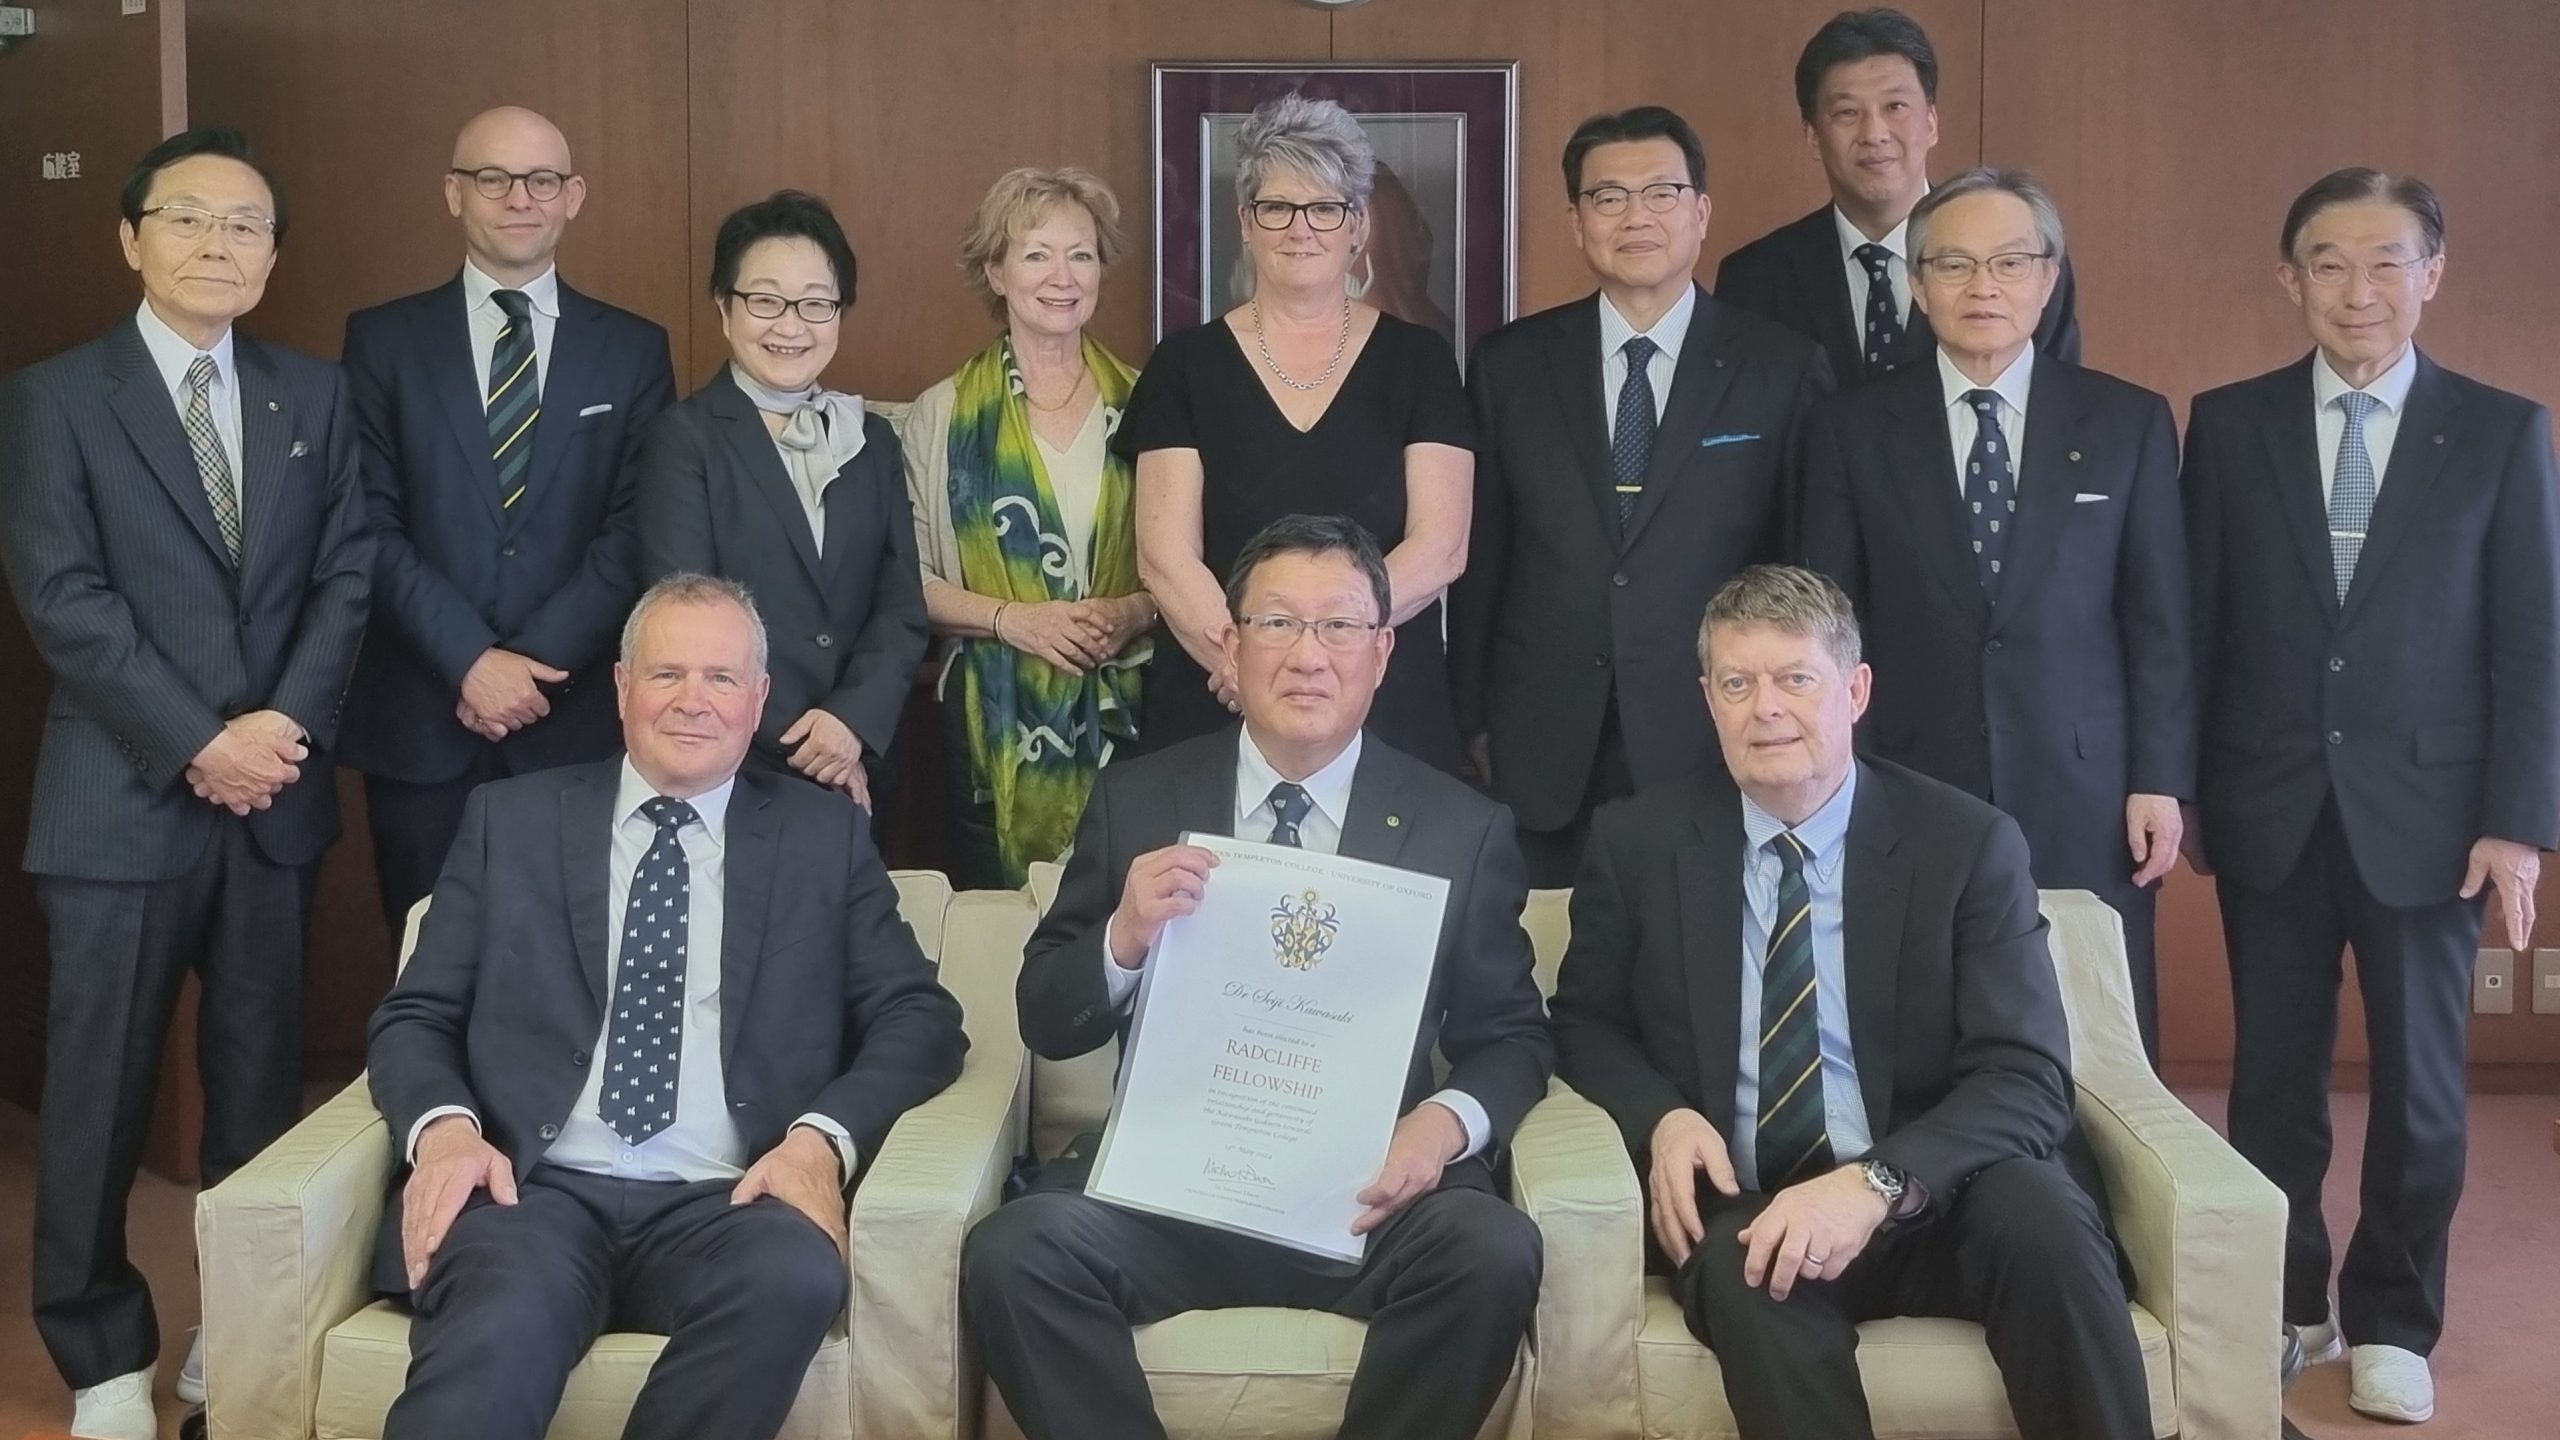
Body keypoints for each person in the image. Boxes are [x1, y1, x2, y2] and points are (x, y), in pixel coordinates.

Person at [963, 514, 1552, 1440]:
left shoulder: (1460, 828)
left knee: (1493, 1248)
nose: (1308, 654)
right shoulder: (1141, 797)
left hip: (1366, 1201)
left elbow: (1513, 1038)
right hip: (1172, 1192)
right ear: (1229, 650)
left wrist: (1441, 1128)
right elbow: (1048, 1017)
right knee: (1014, 1252)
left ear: (1383, 652)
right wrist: (1121, 936)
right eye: (1276, 624)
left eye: (1340, 626)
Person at [1549, 565, 2150, 1440]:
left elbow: (2024, 1075)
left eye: (1797, 678)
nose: (1767, 709)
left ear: (1855, 690)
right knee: (1747, 1274)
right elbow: (1585, 1022)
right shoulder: (1637, 843)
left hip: (1941, 1189)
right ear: (1707, 697)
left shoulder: (1967, 845)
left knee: (2048, 1221)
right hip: (1752, 1199)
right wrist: (1663, 1120)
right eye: (1737, 683)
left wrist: (1877, 1184)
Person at [363, 573, 968, 1440]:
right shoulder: (510, 821)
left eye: (721, 679)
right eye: (667, 674)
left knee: (794, 1275)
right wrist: (447, 1132)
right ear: (621, 687)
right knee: (499, 1325)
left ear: (757, 700)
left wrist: (818, 1143)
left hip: (725, 1200)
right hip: (536, 1194)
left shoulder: (822, 839)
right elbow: (415, 1014)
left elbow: (921, 1019)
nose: (694, 701)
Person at [0, 127, 370, 1440]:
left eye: (247, 225)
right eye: (190, 219)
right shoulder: (54, 397)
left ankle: (243, 1323)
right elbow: (64, 597)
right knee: (98, 1093)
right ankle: (101, 1351)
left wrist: (278, 731)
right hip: (121, 801)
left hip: (273, 799)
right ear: (131, 237)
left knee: (263, 1083)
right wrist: (199, 739)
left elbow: (347, 572)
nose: (220, 245)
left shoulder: (310, 395)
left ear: (274, 251)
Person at [2181, 169, 2560, 1425]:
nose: (2359, 290)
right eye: (2329, 264)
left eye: (2387, 261)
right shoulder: (2227, 426)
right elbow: (2198, 626)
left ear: (2433, 273)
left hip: (2435, 817)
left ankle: (2396, 1316)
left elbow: (2529, 638)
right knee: (2270, 1085)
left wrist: (2515, 818)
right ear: (2288, 279)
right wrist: (2181, 787)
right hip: (2270, 803)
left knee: (2422, 1092)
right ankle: (2289, 1301)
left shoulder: (2501, 431)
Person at [1799, 168, 2191, 1060]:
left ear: (2049, 281)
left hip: (2088, 785)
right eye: (1956, 264)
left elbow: (2160, 619)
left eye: (2011, 263)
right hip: (1905, 772)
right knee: (1914, 1017)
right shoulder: (1851, 428)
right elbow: (1826, 619)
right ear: (1915, 282)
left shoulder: (2127, 421)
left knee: (2098, 1033)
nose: (1984, 287)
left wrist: (2159, 779)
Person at [1450, 105, 1831, 887]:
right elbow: (1481, 558)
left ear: (1700, 212)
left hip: (1712, 726)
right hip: (1541, 737)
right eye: (1608, 197)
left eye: (1661, 193)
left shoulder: (1779, 367)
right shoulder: (1510, 365)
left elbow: (1806, 567)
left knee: (1692, 974)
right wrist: (1470, 716)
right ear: (1576, 219)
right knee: (1546, 972)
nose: (1636, 217)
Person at [339, 105, 676, 934]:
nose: (518, 198)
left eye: (541, 180)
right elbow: (367, 521)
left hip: (573, 720)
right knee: (427, 965)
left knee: (569, 968)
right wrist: (469, 660)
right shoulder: (383, 341)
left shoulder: (633, 349)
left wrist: (528, 663)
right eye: (493, 178)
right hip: (425, 715)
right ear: (454, 193)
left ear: (574, 196)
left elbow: (638, 527)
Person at [1124, 92, 1475, 775]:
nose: (1300, 229)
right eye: (1276, 208)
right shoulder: (1184, 365)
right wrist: (1247, 660)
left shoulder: (1420, 361)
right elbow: (1165, 557)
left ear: (1357, 226)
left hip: (1384, 707)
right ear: (1246, 223)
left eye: (1325, 209)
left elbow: (1443, 547)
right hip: (1215, 700)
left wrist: (1328, 656)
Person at [900, 167, 1156, 888]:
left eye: (1081, 254)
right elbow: (908, 582)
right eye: (1037, 254)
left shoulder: (1147, 402)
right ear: (996, 270)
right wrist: (1016, 621)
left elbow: (1187, 560)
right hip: (989, 722)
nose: (1062, 275)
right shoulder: (943, 412)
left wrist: (1131, 610)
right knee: (1002, 936)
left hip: (1131, 715)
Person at [633, 189, 926, 810]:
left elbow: (900, 606)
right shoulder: (684, 439)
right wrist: (806, 746)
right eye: (766, 301)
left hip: (859, 761)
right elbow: (684, 616)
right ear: (724, 308)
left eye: (816, 304)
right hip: (737, 765)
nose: (791, 326)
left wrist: (849, 724)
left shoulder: (869, 440)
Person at [1713, 7, 2080, 387]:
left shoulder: (2024, 262)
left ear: (1932, 122)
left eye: (1895, 107)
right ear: (1812, 135)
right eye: (1847, 112)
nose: (1874, 133)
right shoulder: (1755, 279)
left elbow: (2055, 407)